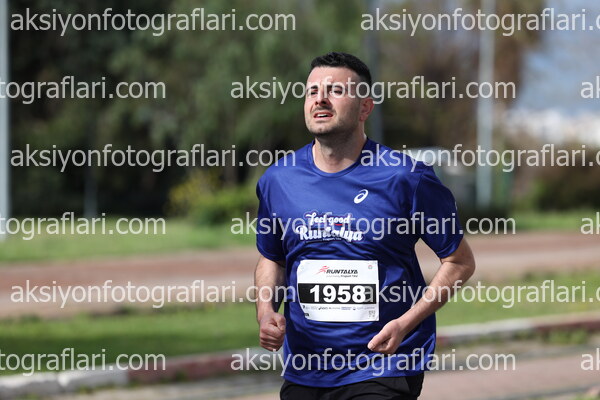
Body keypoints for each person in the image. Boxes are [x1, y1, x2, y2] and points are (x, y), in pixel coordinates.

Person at [254, 51, 476, 400]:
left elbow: (459, 262)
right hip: (307, 368)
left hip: (383, 364)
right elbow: (272, 258)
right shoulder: (278, 180)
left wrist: (407, 322)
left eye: (335, 90)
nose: (320, 99)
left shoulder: (406, 177)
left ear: (365, 107)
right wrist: (266, 311)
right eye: (312, 91)